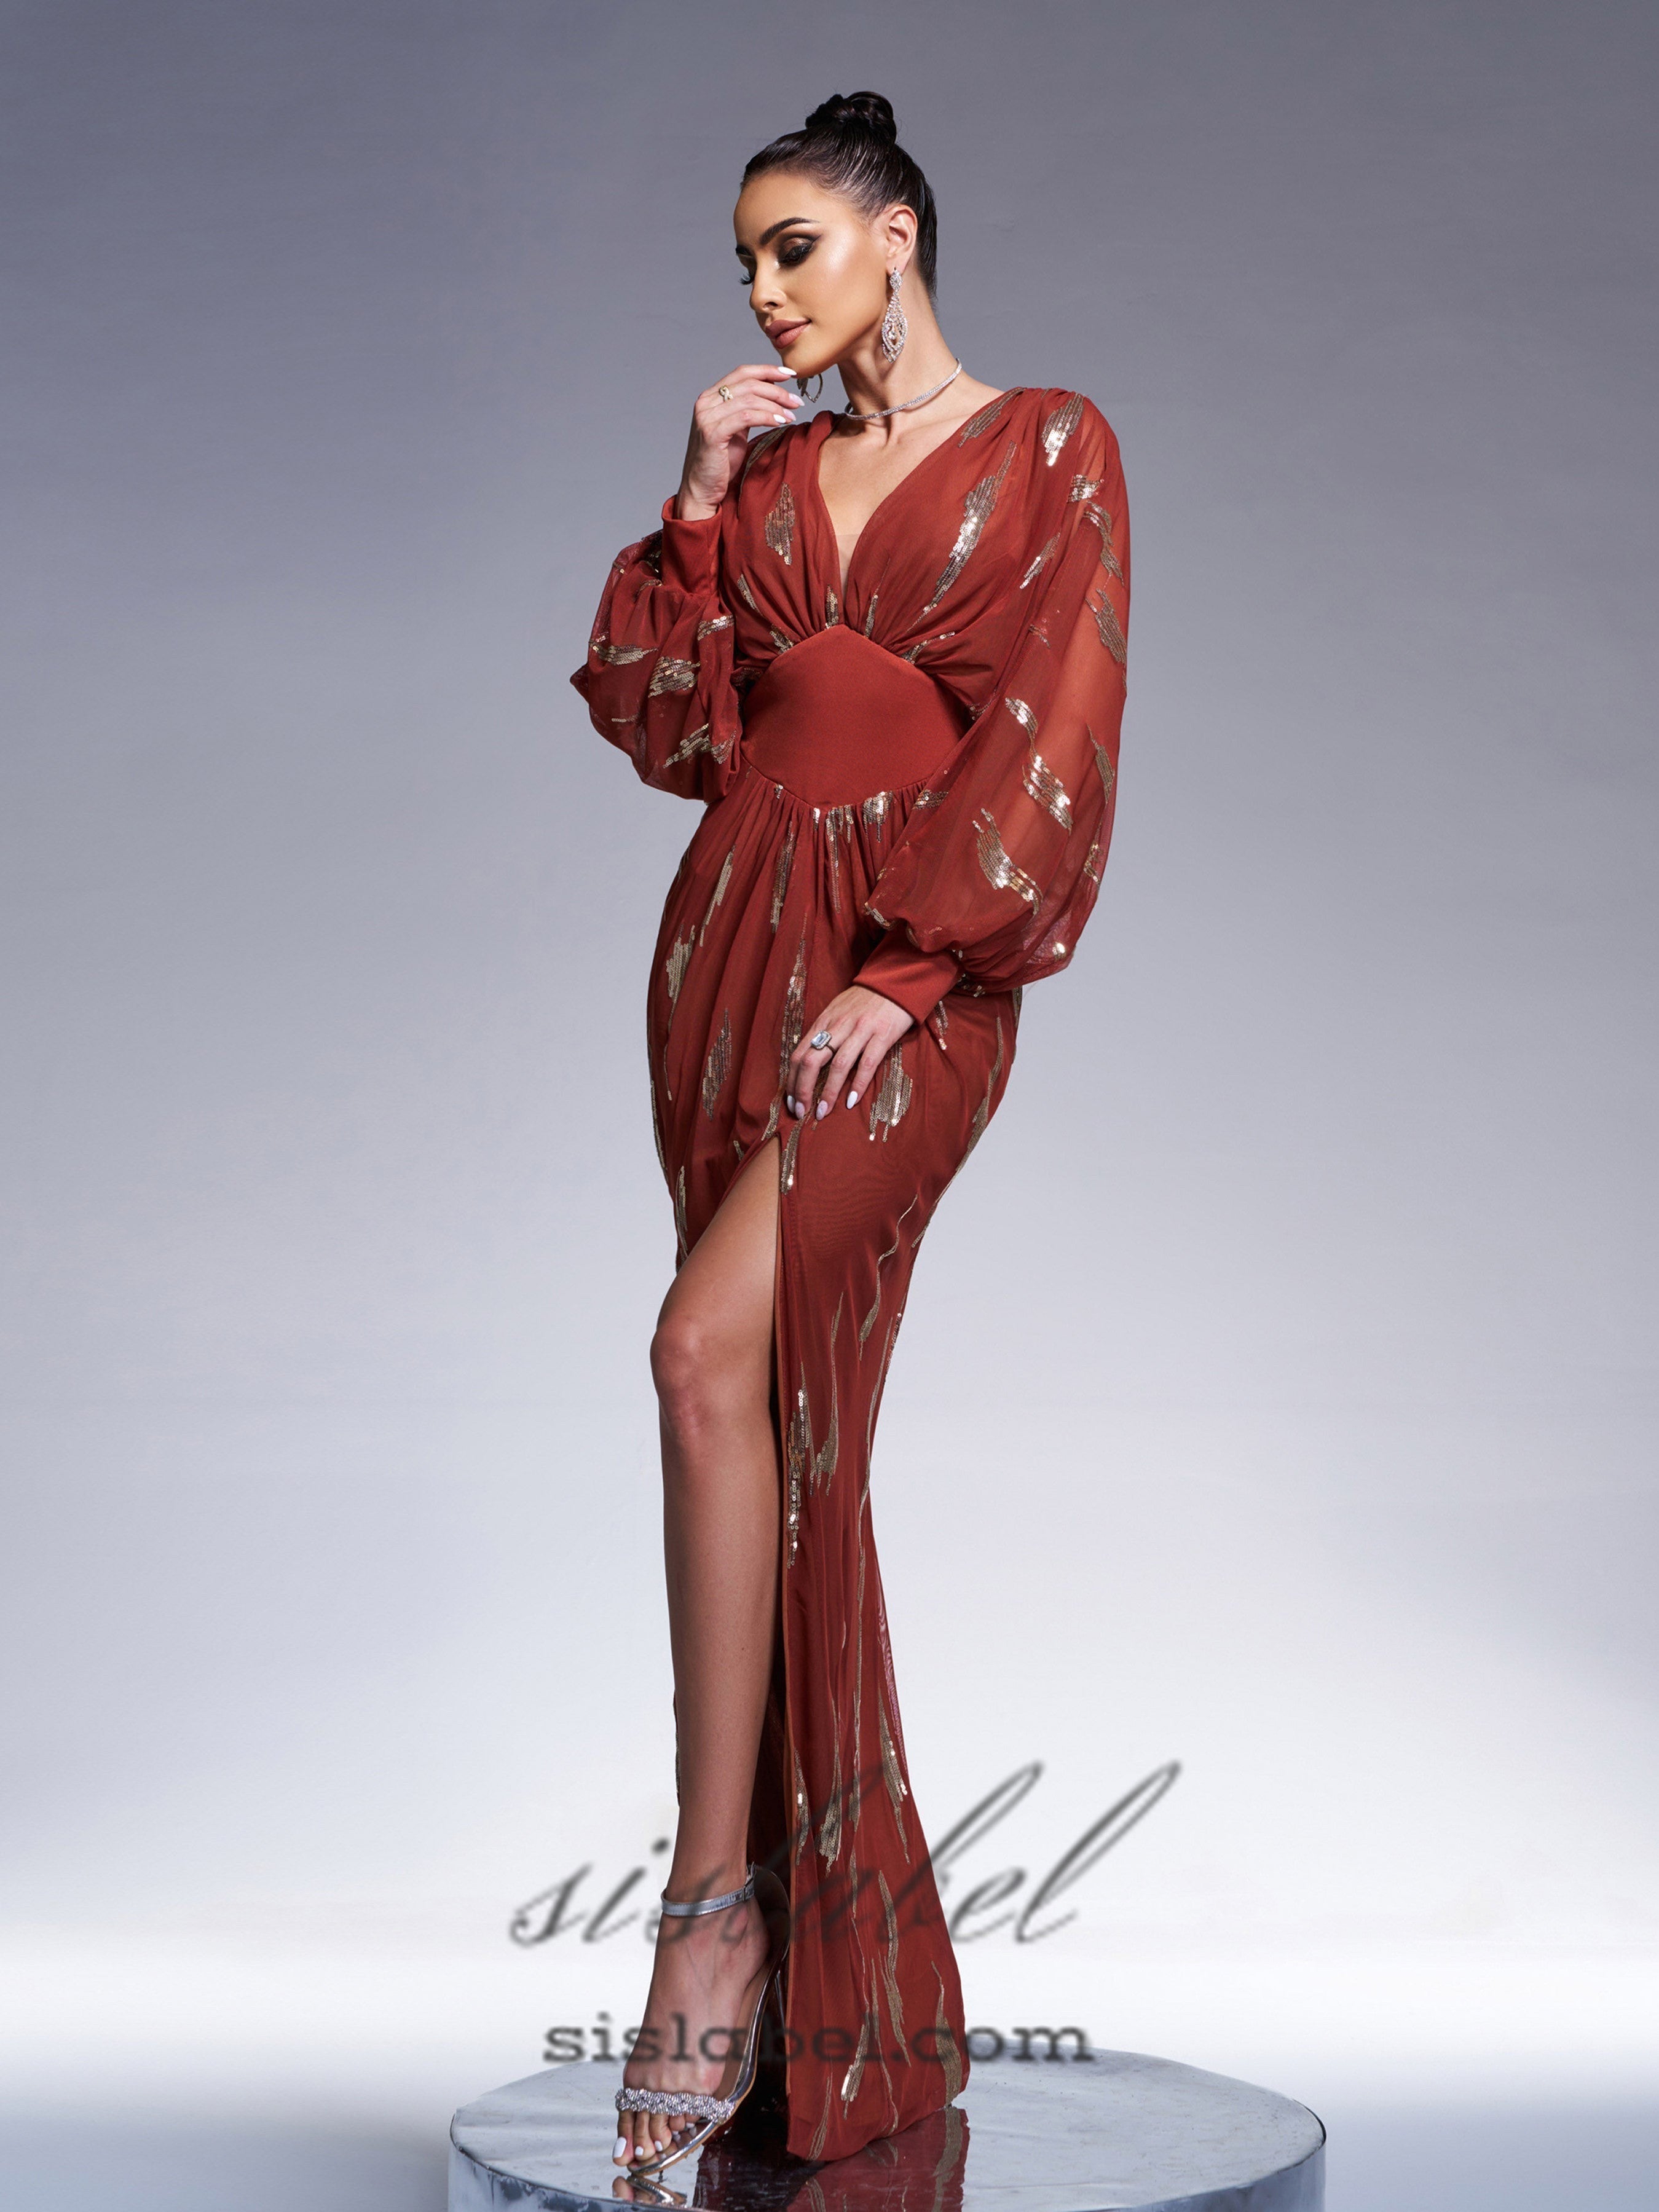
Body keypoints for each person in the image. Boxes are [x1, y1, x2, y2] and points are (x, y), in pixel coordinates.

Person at [570, 89, 1130, 2177]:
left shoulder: (1051, 446)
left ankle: (707, 1916)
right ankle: (827, 1995)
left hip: (904, 975)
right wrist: (697, 496)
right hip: (732, 951)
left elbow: (1057, 721)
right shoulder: (779, 473)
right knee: (765, 1422)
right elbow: (670, 727)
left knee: (701, 1355)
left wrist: (911, 972)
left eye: (792, 245)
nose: (761, 288)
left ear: (897, 235)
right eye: (742, 260)